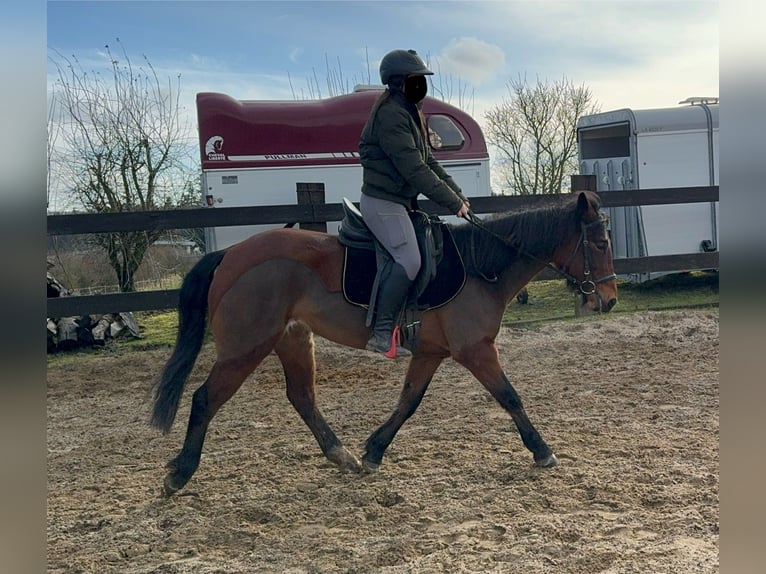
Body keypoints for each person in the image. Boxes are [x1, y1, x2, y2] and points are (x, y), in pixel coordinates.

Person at [359, 49, 471, 357]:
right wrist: (451, 203)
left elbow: (429, 160)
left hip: (400, 201)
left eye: (422, 80)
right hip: (383, 202)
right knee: (409, 260)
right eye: (416, 80)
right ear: (398, 83)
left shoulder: (410, 112)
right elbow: (415, 169)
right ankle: (381, 333)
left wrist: (457, 194)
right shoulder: (390, 116)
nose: (422, 85)